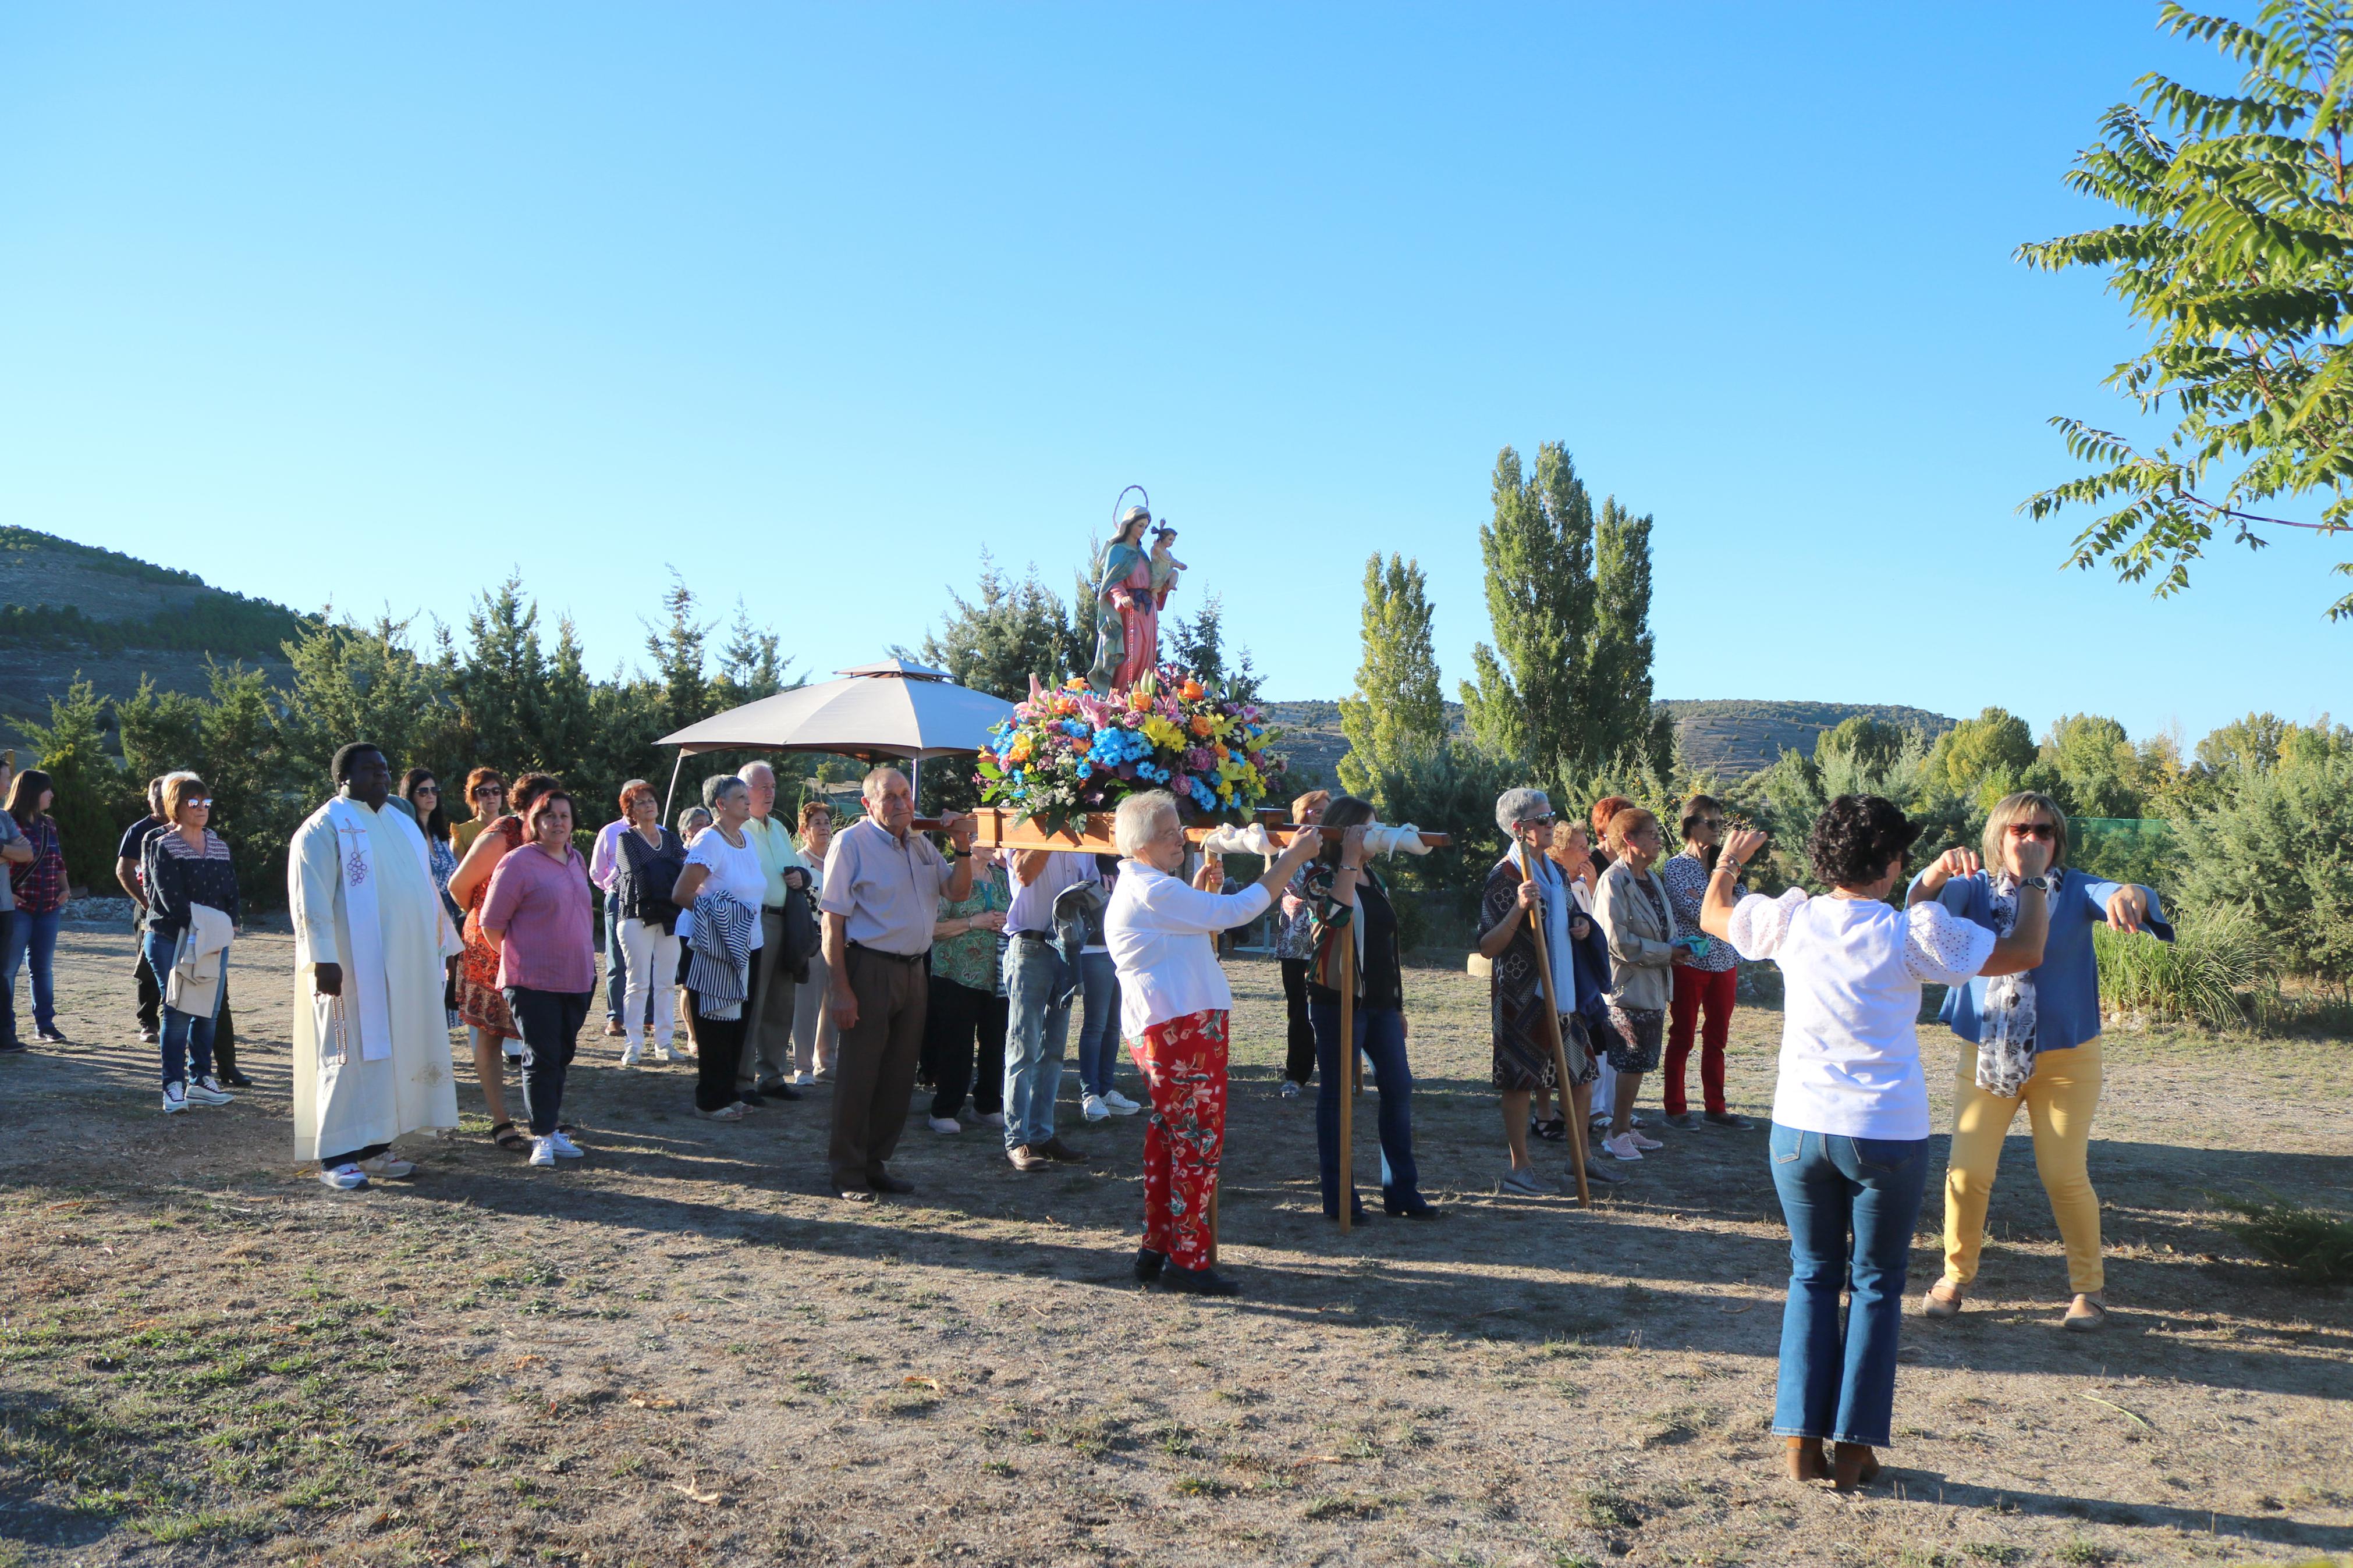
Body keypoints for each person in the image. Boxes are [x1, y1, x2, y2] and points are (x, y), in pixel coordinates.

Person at [1700, 800, 2049, 1488]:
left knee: (1810, 1274)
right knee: (1876, 1285)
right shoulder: (1908, 935)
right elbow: (2025, 950)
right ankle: (1854, 1450)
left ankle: (1800, 1443)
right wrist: (2031, 876)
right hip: (1884, 1129)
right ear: (1890, 863)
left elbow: (1715, 915)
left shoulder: (1793, 920)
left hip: (1798, 1128)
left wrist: (1728, 862)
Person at [1912, 791, 2171, 1333]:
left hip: (2066, 1060)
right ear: (1998, 837)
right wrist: (1934, 872)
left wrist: (2133, 893)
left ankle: (2088, 1290)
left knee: (2063, 1174)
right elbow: (1919, 906)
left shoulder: (2074, 888)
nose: (2032, 840)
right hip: (1986, 1054)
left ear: (2058, 841)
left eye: (2045, 831)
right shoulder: (1973, 888)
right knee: (1967, 1171)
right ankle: (1954, 1278)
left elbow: (2125, 893)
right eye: (2020, 830)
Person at [1106, 789, 1322, 1295]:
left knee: (1171, 1138)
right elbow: (1242, 910)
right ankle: (1187, 1257)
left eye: (1176, 827)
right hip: (1177, 1030)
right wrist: (1290, 859)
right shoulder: (1151, 890)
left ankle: (1160, 1246)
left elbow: (1199, 924)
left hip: (1175, 1026)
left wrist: (1203, 893)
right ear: (1140, 846)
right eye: (1166, 833)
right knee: (1197, 1145)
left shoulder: (1149, 885)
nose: (1179, 837)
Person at [290, 744, 466, 1189]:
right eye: (370, 770)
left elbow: (426, 889)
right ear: (342, 777)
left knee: (390, 1052)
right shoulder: (323, 827)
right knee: (347, 1052)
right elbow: (310, 900)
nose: (382, 777)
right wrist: (323, 959)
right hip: (350, 966)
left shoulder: (401, 823)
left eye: (385, 769)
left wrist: (446, 944)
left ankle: (374, 1147)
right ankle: (335, 1156)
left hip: (406, 962)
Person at [817, 767, 975, 1201]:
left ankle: (875, 1163)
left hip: (913, 970)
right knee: (860, 1073)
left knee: (899, 1074)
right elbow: (831, 921)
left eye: (905, 794)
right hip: (869, 968)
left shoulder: (921, 843)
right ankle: (847, 1171)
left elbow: (958, 892)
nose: (902, 803)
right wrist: (840, 988)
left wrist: (962, 848)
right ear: (867, 803)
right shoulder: (851, 843)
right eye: (889, 797)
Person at [1478, 789, 1619, 1196]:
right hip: (1523, 995)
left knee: (1580, 1076)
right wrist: (1517, 909)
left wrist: (1581, 924)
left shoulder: (1552, 871)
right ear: (1519, 829)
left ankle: (1582, 1159)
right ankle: (1519, 1167)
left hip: (1563, 991)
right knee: (1520, 1080)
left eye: (1550, 816)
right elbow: (1487, 945)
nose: (1550, 825)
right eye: (1543, 819)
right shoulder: (1505, 876)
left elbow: (1565, 916)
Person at [1302, 795, 1435, 1220]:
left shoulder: (1375, 881)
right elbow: (1336, 915)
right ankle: (1340, 1197)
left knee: (1398, 1087)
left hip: (1380, 1005)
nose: (1378, 834)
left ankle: (1401, 1192)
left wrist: (1397, 1005)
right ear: (1347, 831)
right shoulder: (1319, 876)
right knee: (1337, 1096)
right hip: (1337, 1001)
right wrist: (1349, 859)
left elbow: (1386, 946)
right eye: (1369, 827)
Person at [481, 788, 597, 1169]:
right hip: (532, 980)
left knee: (561, 1054)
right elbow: (491, 923)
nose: (558, 822)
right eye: (549, 816)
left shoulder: (576, 859)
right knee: (541, 1056)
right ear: (534, 821)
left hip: (577, 976)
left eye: (564, 815)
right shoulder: (517, 862)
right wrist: (522, 956)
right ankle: (542, 1136)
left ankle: (551, 1128)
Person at [449, 771, 561, 1153]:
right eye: (544, 805)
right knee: (491, 1030)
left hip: (534, 944)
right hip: (488, 943)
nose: (553, 814)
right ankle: (500, 1121)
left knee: (542, 1030)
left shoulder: (549, 837)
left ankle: (545, 1117)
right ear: (525, 805)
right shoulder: (501, 835)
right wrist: (486, 915)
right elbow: (458, 885)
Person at [1595, 806, 1700, 1162]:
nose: (1659, 841)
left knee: (1640, 1062)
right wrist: (1666, 952)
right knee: (1630, 1060)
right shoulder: (1612, 881)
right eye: (1653, 834)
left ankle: (1624, 1127)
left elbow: (1661, 929)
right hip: (1627, 989)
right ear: (1629, 839)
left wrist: (1678, 950)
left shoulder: (1651, 879)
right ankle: (1615, 1134)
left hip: (1654, 985)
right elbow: (1617, 942)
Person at [670, 774, 768, 1120]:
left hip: (750, 945)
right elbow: (682, 893)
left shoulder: (746, 838)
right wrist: (721, 917)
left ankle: (728, 1092)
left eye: (747, 795)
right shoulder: (708, 841)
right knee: (715, 1023)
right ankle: (709, 1100)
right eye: (741, 796)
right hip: (717, 948)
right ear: (721, 805)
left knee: (738, 1022)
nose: (748, 801)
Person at [140, 773, 239, 1112]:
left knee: (208, 1012)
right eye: (193, 803)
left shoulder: (220, 845)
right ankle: (173, 1086)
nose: (201, 809)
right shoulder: (163, 845)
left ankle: (201, 1081)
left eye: (206, 803)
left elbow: (232, 893)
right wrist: (208, 927)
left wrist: (228, 925)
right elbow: (170, 899)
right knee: (179, 1010)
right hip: (171, 937)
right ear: (175, 807)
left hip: (212, 938)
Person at [1658, 793, 1752, 1131]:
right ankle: (1675, 1107)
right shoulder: (1676, 866)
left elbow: (1739, 908)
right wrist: (1724, 899)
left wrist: (1721, 897)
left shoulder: (1723, 867)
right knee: (1683, 1034)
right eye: (1710, 823)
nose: (1717, 830)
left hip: (1726, 960)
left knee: (1718, 1037)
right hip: (1692, 962)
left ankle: (1716, 1106)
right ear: (1690, 826)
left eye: (1720, 824)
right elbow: (1699, 914)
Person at [1000, 844, 1094, 1171]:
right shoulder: (1028, 826)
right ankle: (1017, 1140)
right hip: (1029, 947)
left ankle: (1042, 1134)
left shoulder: (1084, 837)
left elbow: (1092, 885)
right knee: (1023, 1047)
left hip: (1066, 949)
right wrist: (1055, 826)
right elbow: (1024, 873)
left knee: (1053, 1050)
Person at [735, 761, 812, 1103]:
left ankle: (772, 1075)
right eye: (762, 787)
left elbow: (794, 867)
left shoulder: (779, 828)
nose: (770, 792)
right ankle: (742, 1079)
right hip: (755, 921)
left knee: (782, 1001)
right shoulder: (738, 830)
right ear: (743, 791)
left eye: (772, 787)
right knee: (753, 1001)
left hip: (786, 920)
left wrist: (801, 877)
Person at [922, 854, 1011, 1133]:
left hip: (995, 975)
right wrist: (976, 922)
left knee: (995, 1042)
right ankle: (944, 1111)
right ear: (968, 842)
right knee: (956, 1045)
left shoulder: (1001, 877)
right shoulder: (948, 876)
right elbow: (931, 928)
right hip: (954, 974)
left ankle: (986, 1106)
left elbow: (1014, 916)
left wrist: (1005, 922)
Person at [1528, 815, 1603, 1142]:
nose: (1588, 853)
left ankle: (1573, 1127)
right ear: (1561, 849)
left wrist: (1584, 924)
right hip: (1544, 977)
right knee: (1543, 1048)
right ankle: (1545, 1115)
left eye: (1588, 846)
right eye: (1582, 848)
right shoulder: (1546, 879)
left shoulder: (1571, 882)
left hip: (1575, 979)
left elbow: (1589, 918)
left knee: (1581, 1057)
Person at [611, 781, 686, 1066]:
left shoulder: (670, 838)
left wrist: (670, 876)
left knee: (667, 982)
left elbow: (684, 868)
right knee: (638, 982)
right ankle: (634, 1045)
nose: (649, 805)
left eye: (651, 800)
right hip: (636, 916)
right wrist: (669, 874)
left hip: (669, 915)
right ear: (630, 810)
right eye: (641, 802)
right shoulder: (626, 839)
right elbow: (634, 874)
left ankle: (665, 1043)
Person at [1070, 854, 1143, 1120]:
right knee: (1095, 1024)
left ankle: (1107, 1090)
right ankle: (1090, 1094)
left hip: (1121, 951)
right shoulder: (1088, 857)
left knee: (1114, 1026)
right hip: (1093, 949)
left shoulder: (1126, 862)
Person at [1087, 503, 1181, 692]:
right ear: (1129, 524)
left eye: (1145, 527)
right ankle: (1121, 697)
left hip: (1147, 610)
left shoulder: (1143, 554)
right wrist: (1121, 597)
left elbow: (1152, 579)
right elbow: (1112, 582)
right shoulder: (1118, 551)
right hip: (1129, 610)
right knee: (1131, 654)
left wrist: (1164, 586)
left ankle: (1140, 699)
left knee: (1147, 656)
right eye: (1140, 526)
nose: (1143, 531)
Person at [1274, 790, 1331, 1099]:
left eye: (1327, 812)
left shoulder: (1337, 852)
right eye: (1317, 812)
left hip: (1332, 944)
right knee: (1299, 1011)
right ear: (1302, 815)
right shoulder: (1290, 852)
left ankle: (1336, 1073)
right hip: (1297, 946)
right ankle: (1296, 1075)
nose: (1323, 817)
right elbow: (1305, 888)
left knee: (1333, 1009)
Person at [2, 769, 65, 1047]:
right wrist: (9, 894)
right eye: (47, 790)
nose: (51, 795)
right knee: (8, 970)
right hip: (19, 907)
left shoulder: (48, 824)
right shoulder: (8, 822)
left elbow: (57, 860)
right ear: (31, 792)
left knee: (43, 969)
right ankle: (8, 1029)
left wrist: (64, 888)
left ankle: (46, 1025)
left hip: (49, 906)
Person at [588, 779, 649, 1040]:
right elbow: (595, 870)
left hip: (649, 900)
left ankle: (650, 1017)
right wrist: (613, 886)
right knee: (616, 960)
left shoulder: (658, 830)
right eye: (638, 799)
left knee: (649, 960)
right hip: (618, 900)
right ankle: (616, 1017)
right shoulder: (610, 832)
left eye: (648, 798)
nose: (644, 803)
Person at [115, 777, 172, 1045]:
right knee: (148, 966)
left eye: (166, 796)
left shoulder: (186, 826)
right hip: (149, 909)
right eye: (156, 797)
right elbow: (123, 870)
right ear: (149, 800)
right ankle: (148, 1022)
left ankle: (177, 1016)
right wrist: (145, 902)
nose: (161, 803)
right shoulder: (139, 830)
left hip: (181, 910)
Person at [788, 801, 839, 1086]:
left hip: (837, 941)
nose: (824, 828)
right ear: (804, 830)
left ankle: (827, 1062)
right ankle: (803, 1067)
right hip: (809, 942)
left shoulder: (837, 859)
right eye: (817, 823)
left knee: (834, 1003)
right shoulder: (798, 863)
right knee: (806, 1006)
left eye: (827, 823)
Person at [402, 769, 461, 923]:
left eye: (434, 790)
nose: (430, 795)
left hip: (450, 917)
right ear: (410, 795)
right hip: (422, 917)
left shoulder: (440, 836)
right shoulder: (406, 835)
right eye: (423, 791)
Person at [452, 769, 507, 858]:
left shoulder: (515, 828)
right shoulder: (461, 833)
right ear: (474, 797)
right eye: (484, 792)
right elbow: (456, 869)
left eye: (496, 791)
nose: (491, 796)